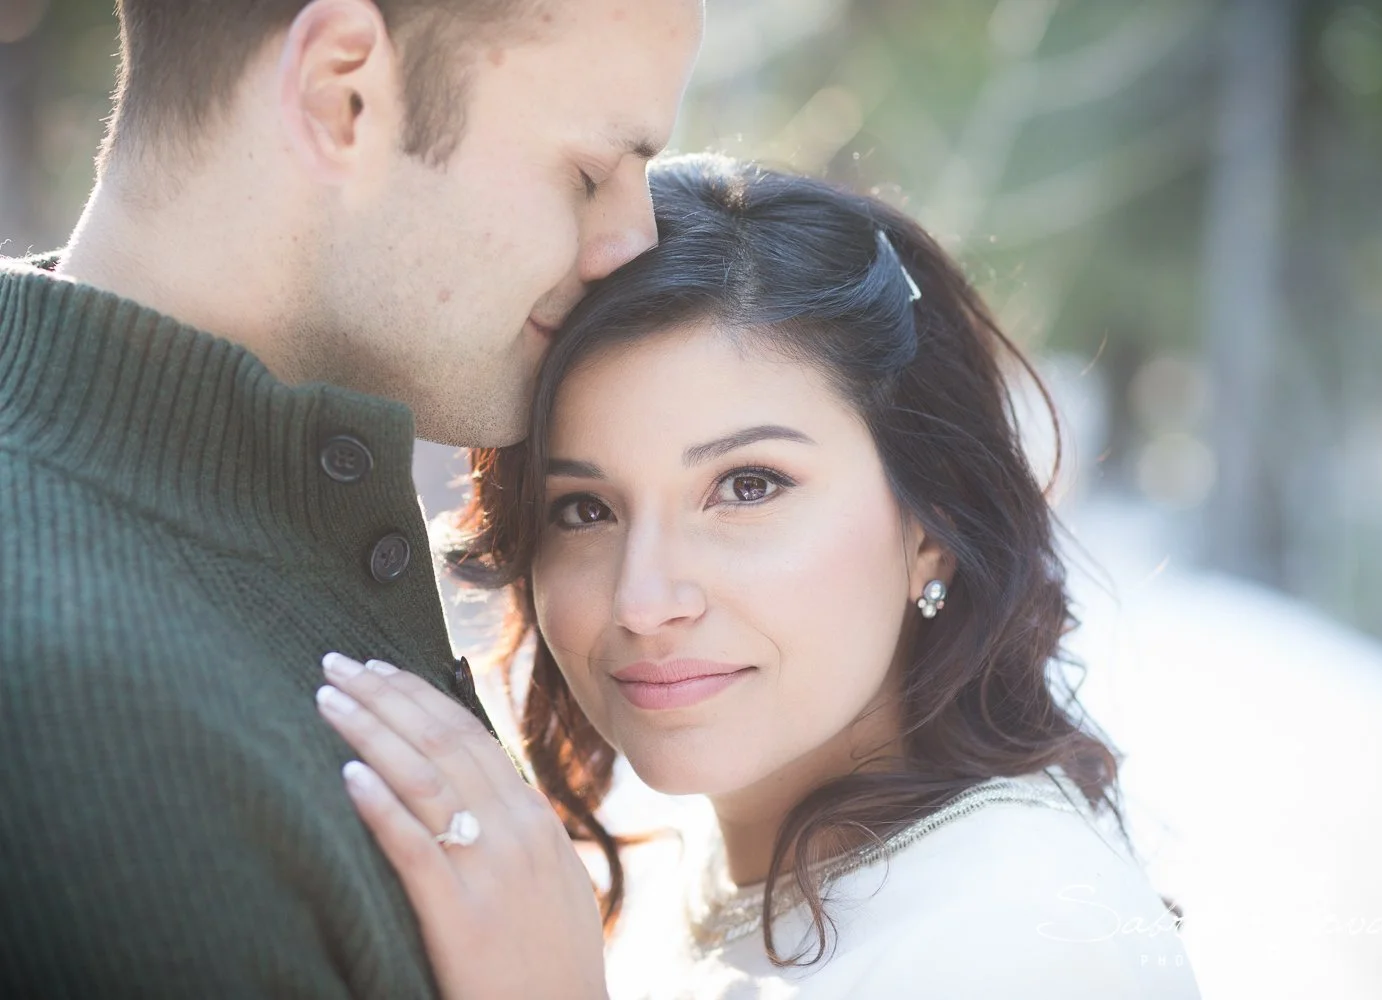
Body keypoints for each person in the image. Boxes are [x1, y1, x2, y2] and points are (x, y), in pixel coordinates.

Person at [315, 155, 1203, 998]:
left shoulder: (1015, 949)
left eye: (747, 487)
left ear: (931, 526)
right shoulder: (688, 862)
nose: (644, 601)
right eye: (585, 508)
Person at [0, 1, 701, 996]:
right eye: (591, 173)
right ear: (343, 96)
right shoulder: (90, 732)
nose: (634, 241)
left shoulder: (224, 529)